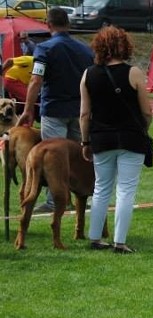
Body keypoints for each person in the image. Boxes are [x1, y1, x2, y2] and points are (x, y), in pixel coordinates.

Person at [80, 26, 153, 255]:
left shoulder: (88, 74)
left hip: (101, 139)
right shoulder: (134, 73)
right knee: (126, 190)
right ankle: (119, 242)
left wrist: (85, 142)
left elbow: (84, 114)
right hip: (130, 138)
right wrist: (142, 129)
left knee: (101, 188)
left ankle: (95, 237)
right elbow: (148, 112)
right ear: (125, 45)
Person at [17, 8, 93, 214]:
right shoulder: (86, 50)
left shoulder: (44, 49)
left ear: (48, 25)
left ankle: (55, 201)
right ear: (68, 24)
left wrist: (27, 110)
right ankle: (82, 197)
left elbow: (36, 80)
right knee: (79, 157)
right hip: (80, 110)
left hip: (54, 109)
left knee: (54, 158)